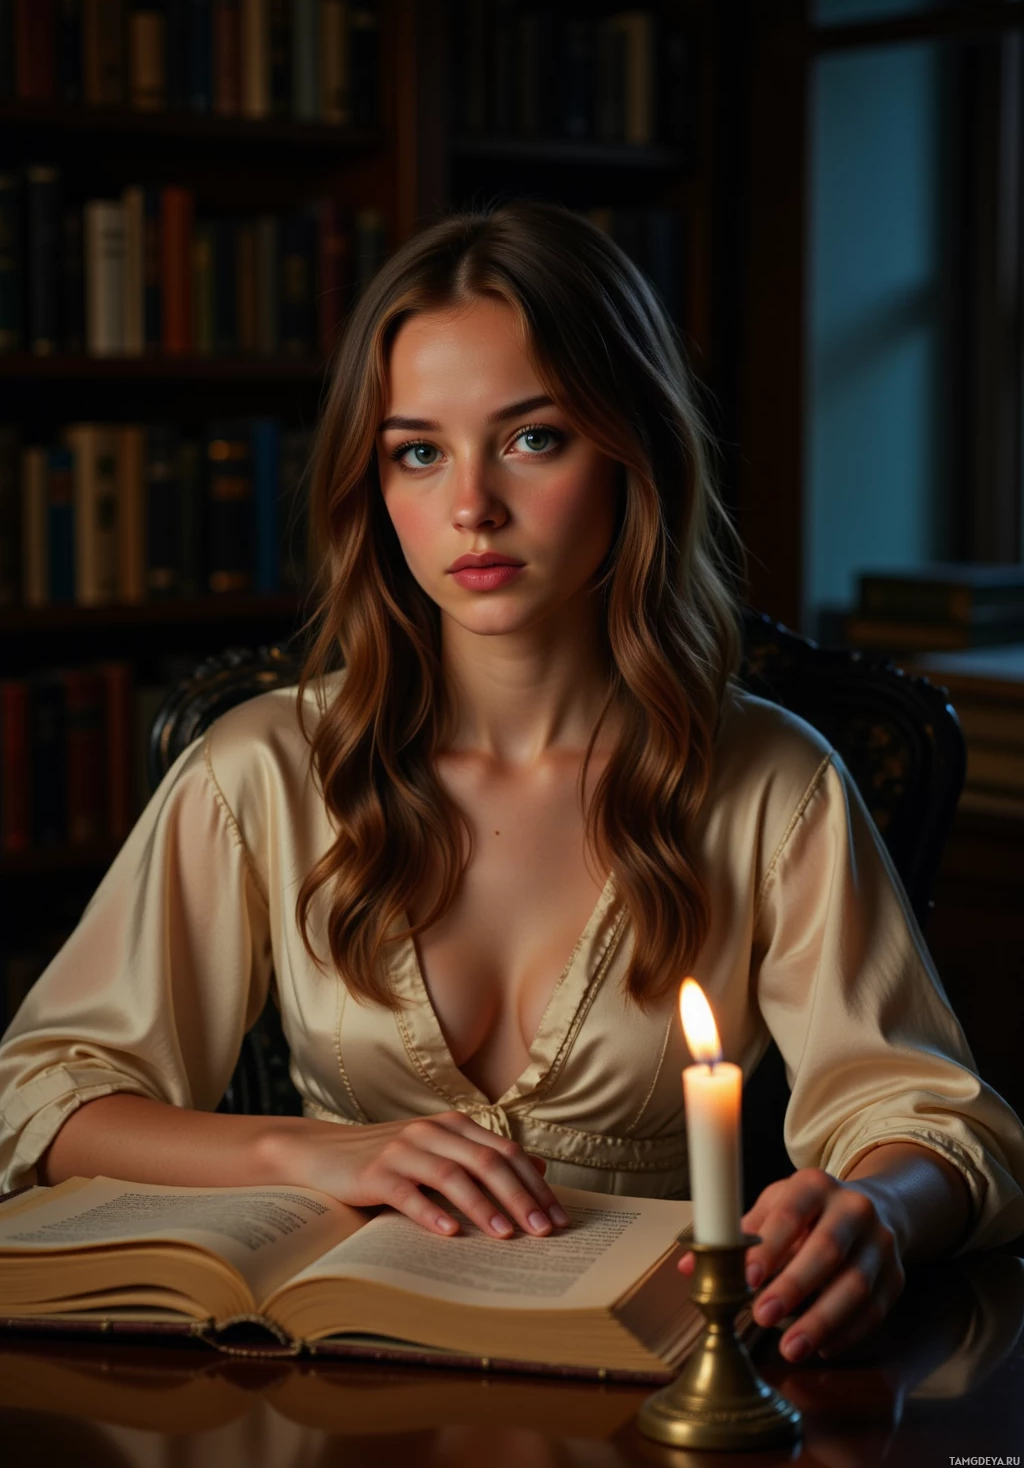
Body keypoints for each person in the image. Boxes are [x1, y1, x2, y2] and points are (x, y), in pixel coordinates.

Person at [1, 201, 1022, 1368]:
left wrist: (879, 1207)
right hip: (332, 1381)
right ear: (372, 485)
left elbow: (932, 1121)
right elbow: (44, 1092)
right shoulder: (263, 770)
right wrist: (301, 1152)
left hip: (644, 1382)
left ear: (632, 451)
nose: (471, 506)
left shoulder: (770, 782)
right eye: (418, 451)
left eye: (533, 438)